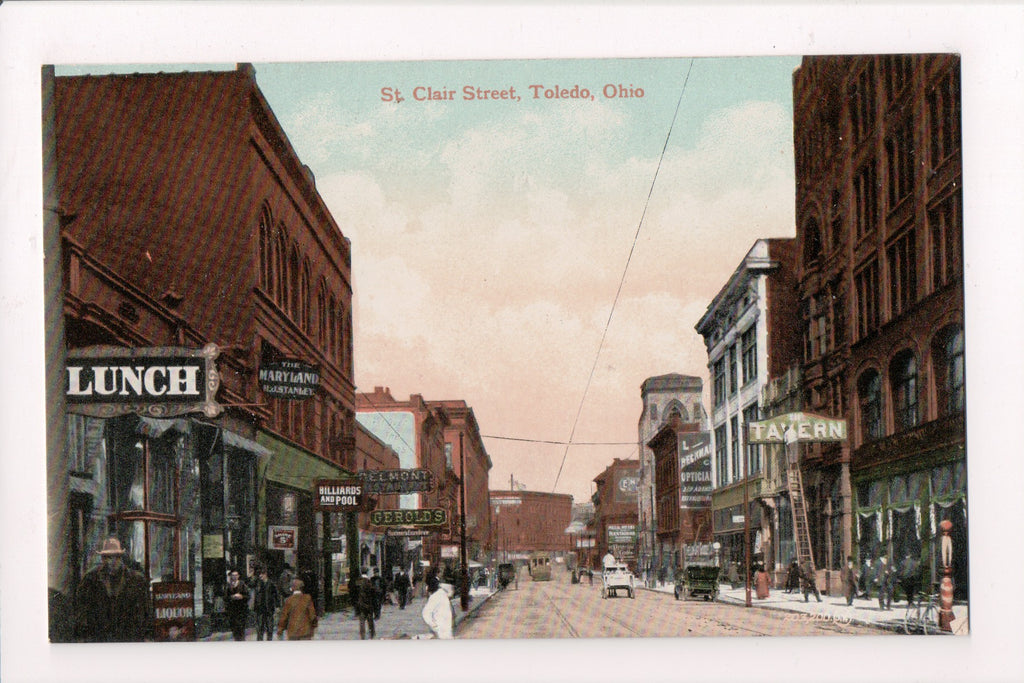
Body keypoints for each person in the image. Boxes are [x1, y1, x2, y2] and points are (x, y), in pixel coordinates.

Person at [73, 537, 153, 642]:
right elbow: (81, 610)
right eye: (109, 557)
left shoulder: (137, 580)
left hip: (129, 638)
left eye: (117, 557)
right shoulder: (90, 578)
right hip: (100, 638)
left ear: (121, 558)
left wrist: (147, 637)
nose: (113, 561)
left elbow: (146, 611)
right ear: (102, 559)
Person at [252, 567, 281, 641]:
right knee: (260, 628)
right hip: (260, 609)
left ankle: (269, 641)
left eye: (262, 574)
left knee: (269, 627)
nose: (260, 576)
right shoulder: (258, 583)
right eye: (259, 575)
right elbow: (250, 585)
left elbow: (276, 595)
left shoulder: (271, 584)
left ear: (265, 575)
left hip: (269, 608)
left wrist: (277, 606)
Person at [224, 569, 250, 641]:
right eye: (233, 575)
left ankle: (241, 640)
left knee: (241, 627)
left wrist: (241, 596)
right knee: (234, 627)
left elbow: (247, 596)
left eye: (236, 575)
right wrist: (232, 597)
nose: (234, 577)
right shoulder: (229, 586)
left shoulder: (242, 584)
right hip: (232, 610)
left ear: (238, 576)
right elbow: (225, 597)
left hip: (241, 609)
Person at [352, 572, 376, 640]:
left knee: (362, 620)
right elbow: (373, 593)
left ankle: (362, 634)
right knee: (370, 619)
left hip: (360, 604)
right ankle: (372, 633)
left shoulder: (357, 582)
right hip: (368, 604)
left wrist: (355, 604)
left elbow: (353, 594)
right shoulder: (369, 582)